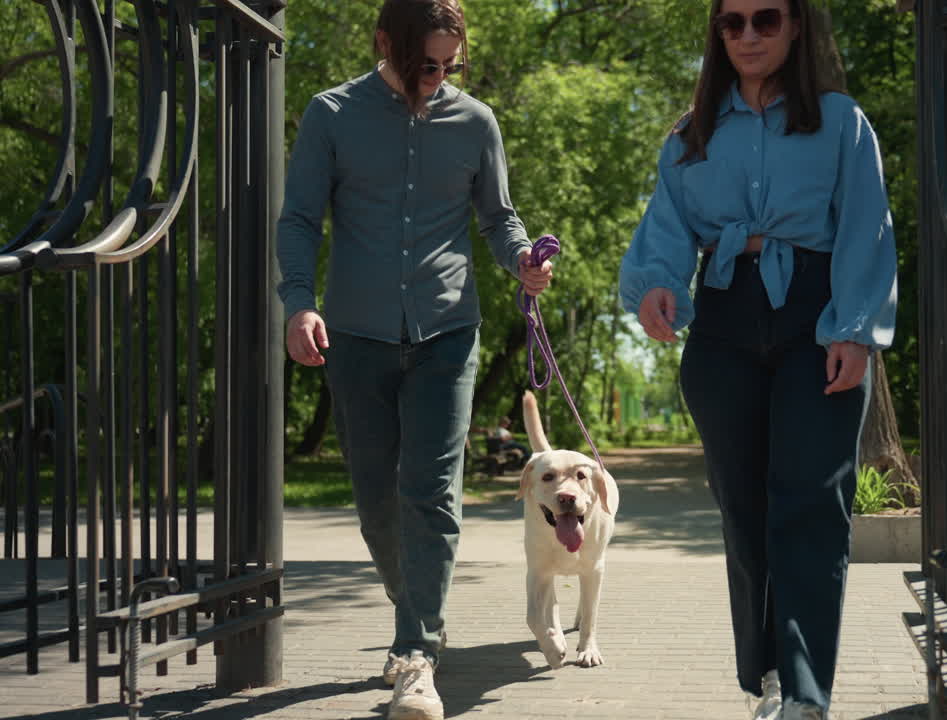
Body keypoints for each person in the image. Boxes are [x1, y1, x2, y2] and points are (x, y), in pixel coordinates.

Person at [617, 1, 897, 718]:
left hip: (817, 316)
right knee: (744, 512)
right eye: (732, 22)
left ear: (795, 26)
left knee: (809, 506)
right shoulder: (690, 136)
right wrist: (654, 286)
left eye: (765, 19)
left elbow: (868, 227)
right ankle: (766, 682)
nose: (747, 35)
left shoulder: (841, 122)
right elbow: (667, 229)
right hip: (724, 322)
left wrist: (854, 329)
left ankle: (805, 695)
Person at [275, 2, 552, 719]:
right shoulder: (330, 113)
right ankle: (419, 608)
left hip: (446, 332)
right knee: (377, 506)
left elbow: (497, 216)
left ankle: (417, 654)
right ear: (382, 44)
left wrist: (520, 259)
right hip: (357, 337)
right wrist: (299, 304)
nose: (434, 78)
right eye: (420, 63)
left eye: (446, 65)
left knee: (429, 493)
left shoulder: (476, 123)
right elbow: (301, 217)